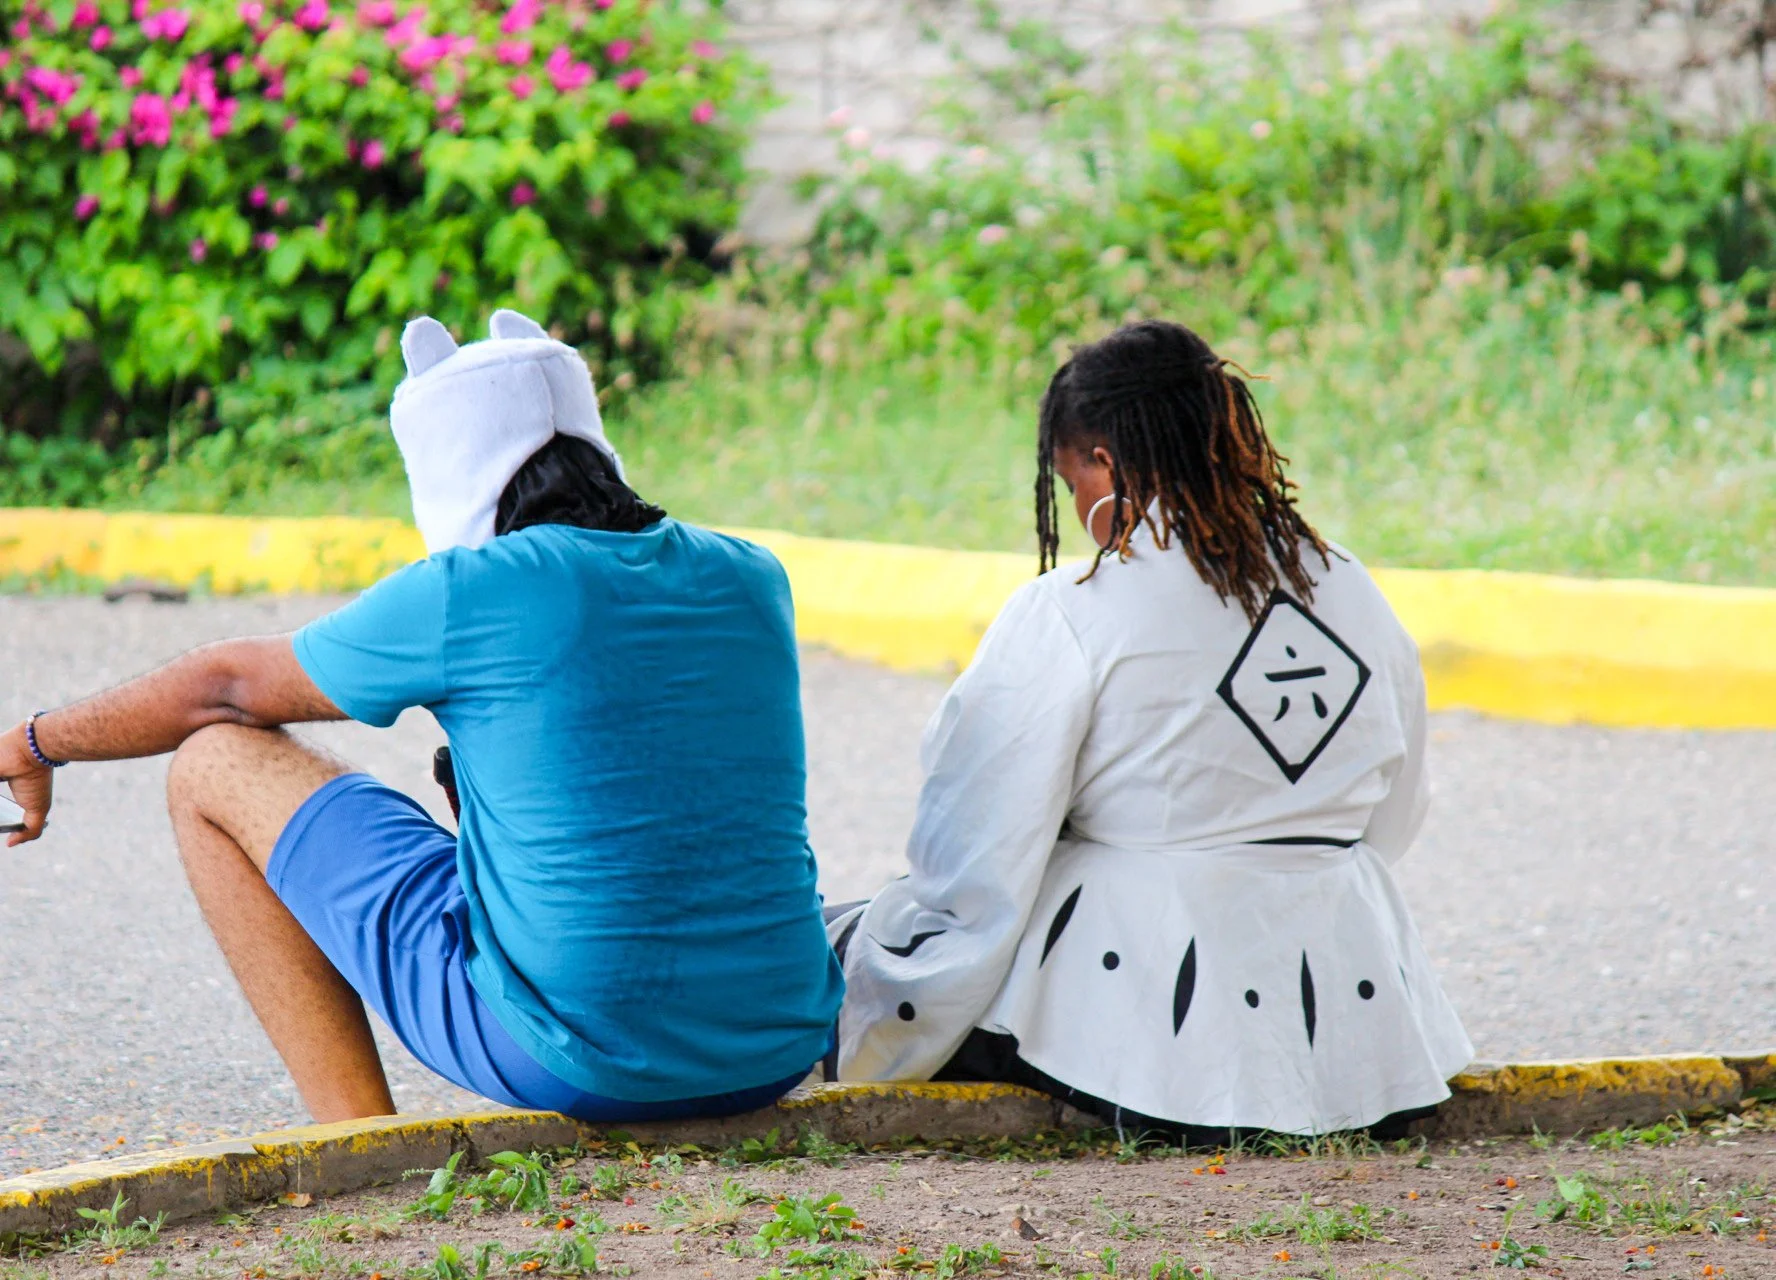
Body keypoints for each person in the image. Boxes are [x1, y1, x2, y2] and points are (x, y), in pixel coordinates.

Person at [0, 310, 843, 1124]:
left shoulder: (475, 589)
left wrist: (38, 741)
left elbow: (222, 685)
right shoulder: (749, 574)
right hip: (773, 1048)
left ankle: (355, 1141)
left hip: (583, 1059)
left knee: (214, 761)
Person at [825, 319, 1472, 1142]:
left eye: (1072, 485)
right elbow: (1395, 813)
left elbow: (979, 845)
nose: (1080, 512)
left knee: (840, 941)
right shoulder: (1348, 583)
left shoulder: (1075, 607)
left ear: (1104, 462)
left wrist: (906, 985)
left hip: (1147, 1035)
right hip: (1363, 1024)